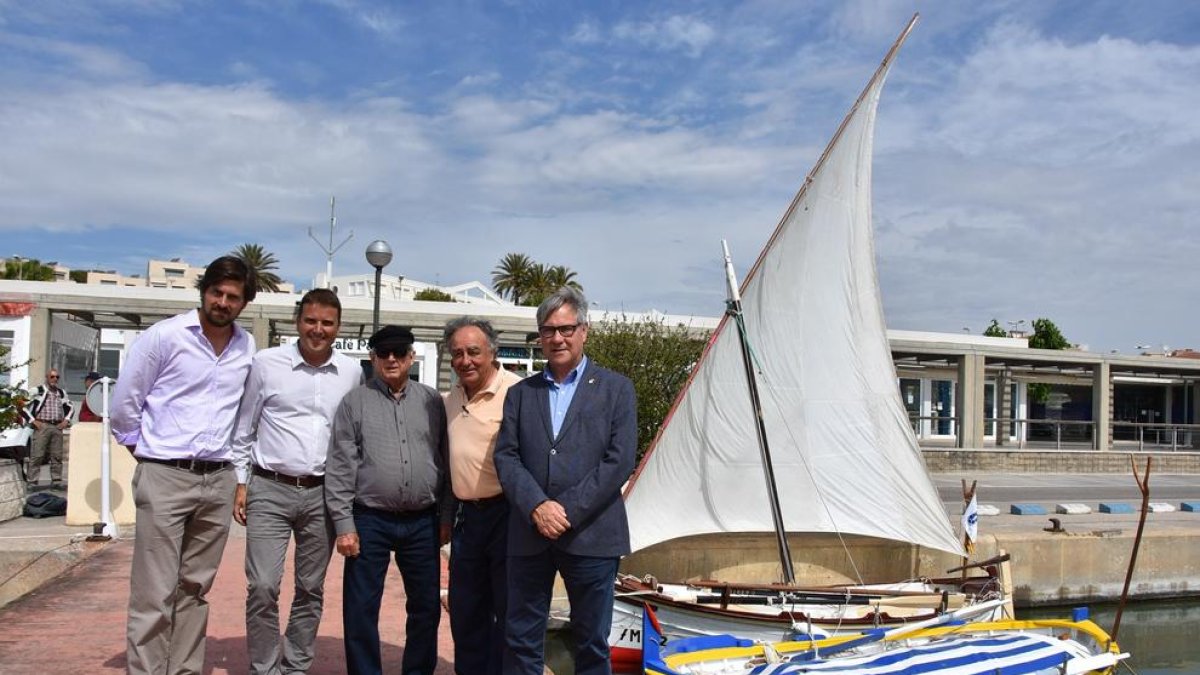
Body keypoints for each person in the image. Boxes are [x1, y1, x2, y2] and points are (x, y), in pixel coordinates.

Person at [110, 255, 257, 675]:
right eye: (217, 293)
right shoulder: (164, 337)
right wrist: (147, 454)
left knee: (195, 588)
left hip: (218, 480)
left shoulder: (246, 347)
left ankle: (185, 669)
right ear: (204, 291)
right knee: (153, 591)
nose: (223, 303)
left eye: (233, 297)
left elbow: (244, 417)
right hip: (164, 475)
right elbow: (125, 406)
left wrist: (238, 478)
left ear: (243, 303)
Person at [493, 287, 638, 675]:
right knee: (521, 640)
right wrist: (537, 506)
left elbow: (619, 460)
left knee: (591, 642)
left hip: (591, 535)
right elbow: (506, 456)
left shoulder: (616, 389)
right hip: (529, 535)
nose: (557, 338)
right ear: (539, 336)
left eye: (566, 328)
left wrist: (566, 510)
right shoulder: (521, 394)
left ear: (584, 331)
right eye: (548, 330)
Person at [231, 289, 362, 675]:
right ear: (297, 321)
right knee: (263, 586)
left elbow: (352, 434)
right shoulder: (266, 364)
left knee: (310, 588)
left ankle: (296, 666)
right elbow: (244, 428)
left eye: (327, 323)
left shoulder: (351, 372)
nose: (317, 330)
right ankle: (264, 666)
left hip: (323, 492)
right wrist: (241, 483)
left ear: (337, 327)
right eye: (311, 321)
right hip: (269, 488)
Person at [325, 325, 453, 675]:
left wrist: (445, 516)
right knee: (361, 607)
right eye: (384, 353)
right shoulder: (354, 403)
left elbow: (445, 460)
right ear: (373, 358)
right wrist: (344, 525)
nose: (392, 359)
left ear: (412, 357)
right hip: (370, 520)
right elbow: (339, 466)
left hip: (423, 520)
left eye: (400, 352)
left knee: (426, 606)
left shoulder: (431, 402)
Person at [442, 317, 522, 675]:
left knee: (508, 612)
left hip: (508, 516)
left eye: (473, 351)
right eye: (457, 353)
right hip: (466, 519)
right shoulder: (449, 398)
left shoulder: (518, 393)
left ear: (492, 352)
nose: (465, 360)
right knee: (466, 611)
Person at [25, 368, 73, 487]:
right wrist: (32, 420)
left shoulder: (61, 393)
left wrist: (66, 420)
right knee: (37, 455)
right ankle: (32, 481)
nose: (55, 379)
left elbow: (70, 407)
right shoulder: (38, 390)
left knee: (57, 456)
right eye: (52, 377)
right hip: (42, 425)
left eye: (57, 377)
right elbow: (21, 405)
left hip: (57, 426)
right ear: (47, 377)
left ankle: (56, 481)